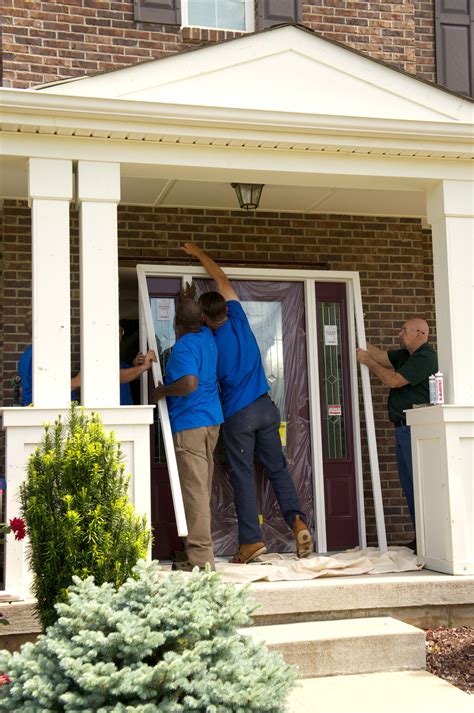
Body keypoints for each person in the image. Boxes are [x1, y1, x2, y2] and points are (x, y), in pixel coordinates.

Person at [182, 242, 312, 565]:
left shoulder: (209, 342)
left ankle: (251, 542)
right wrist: (198, 253)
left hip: (239, 416)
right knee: (277, 468)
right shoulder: (239, 318)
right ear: (225, 311)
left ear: (206, 320)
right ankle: (297, 521)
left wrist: (185, 302)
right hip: (266, 408)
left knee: (242, 476)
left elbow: (191, 342)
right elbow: (222, 280)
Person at [152, 299, 223, 571]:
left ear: (176, 324)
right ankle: (195, 552)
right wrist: (190, 297)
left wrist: (163, 391)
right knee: (201, 489)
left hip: (190, 424)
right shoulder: (207, 338)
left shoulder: (183, 347)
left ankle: (201, 560)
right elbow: (198, 322)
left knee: (194, 492)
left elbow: (189, 383)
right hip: (211, 423)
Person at [356, 318, 438, 544]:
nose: (400, 334)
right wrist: (352, 333)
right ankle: (420, 537)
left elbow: (394, 381)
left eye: (404, 330)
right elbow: (381, 355)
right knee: (409, 486)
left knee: (418, 484)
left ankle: (428, 538)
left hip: (416, 430)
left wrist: (368, 363)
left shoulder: (425, 357)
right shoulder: (406, 355)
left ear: (420, 334)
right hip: (403, 430)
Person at [118, 325, 156, 405]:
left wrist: (137, 365)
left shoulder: (119, 362)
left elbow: (137, 376)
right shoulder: (101, 357)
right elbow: (117, 376)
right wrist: (143, 367)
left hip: (127, 413)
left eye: (121, 331)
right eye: (119, 331)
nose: (120, 335)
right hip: (113, 414)